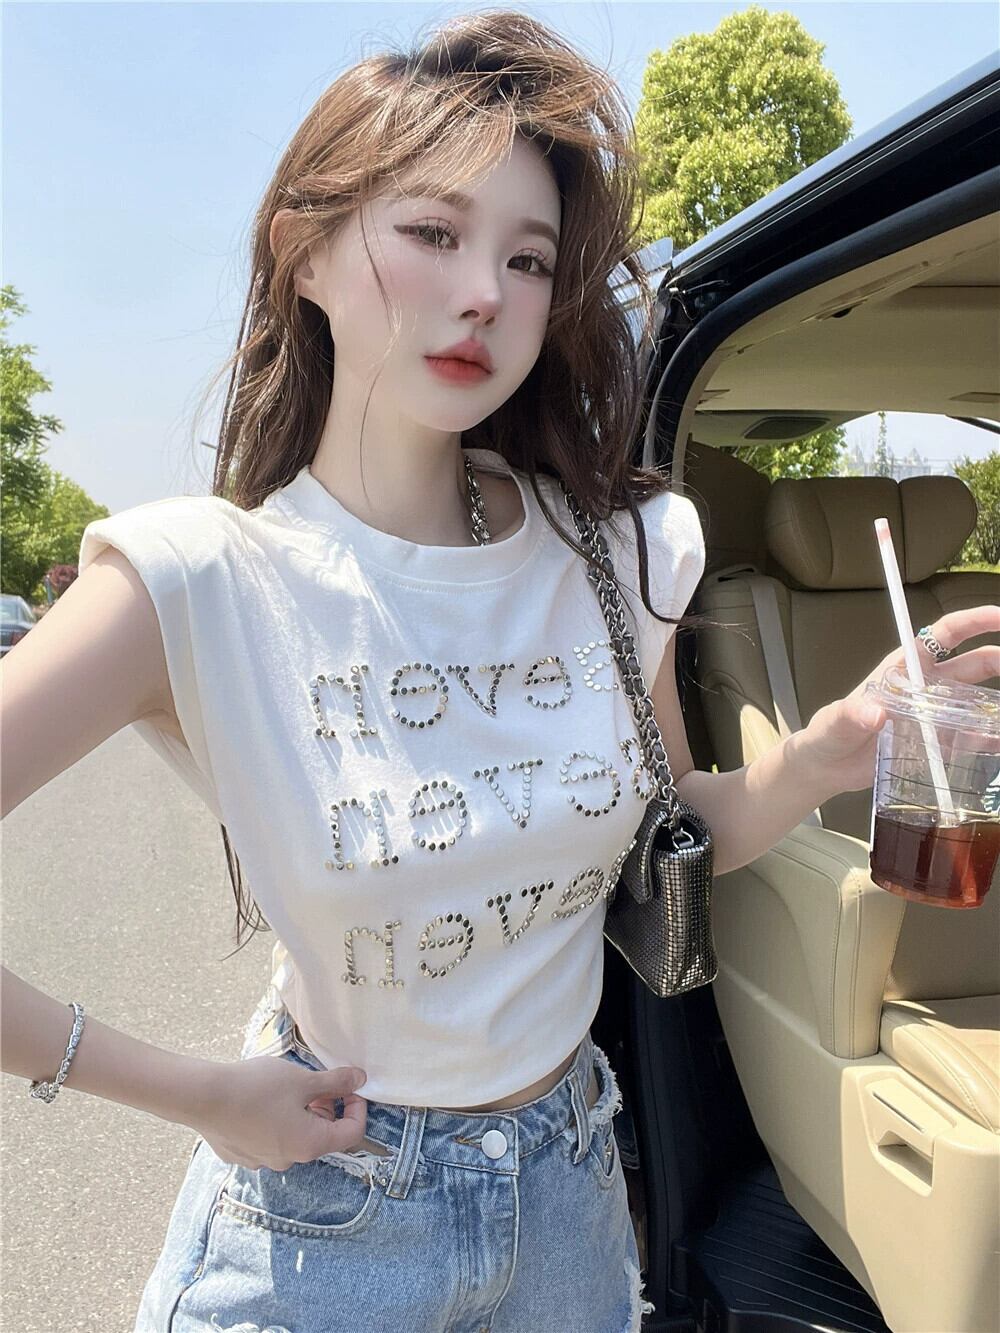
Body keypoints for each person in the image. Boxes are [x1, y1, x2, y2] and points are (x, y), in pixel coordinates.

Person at [2, 10, 998, 1332]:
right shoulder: (194, 580)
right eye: (433, 233)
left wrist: (826, 753)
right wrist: (195, 1093)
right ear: (304, 252)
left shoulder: (620, 549)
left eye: (528, 259)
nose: (485, 291)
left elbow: (676, 827)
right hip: (324, 1218)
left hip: (570, 1193)